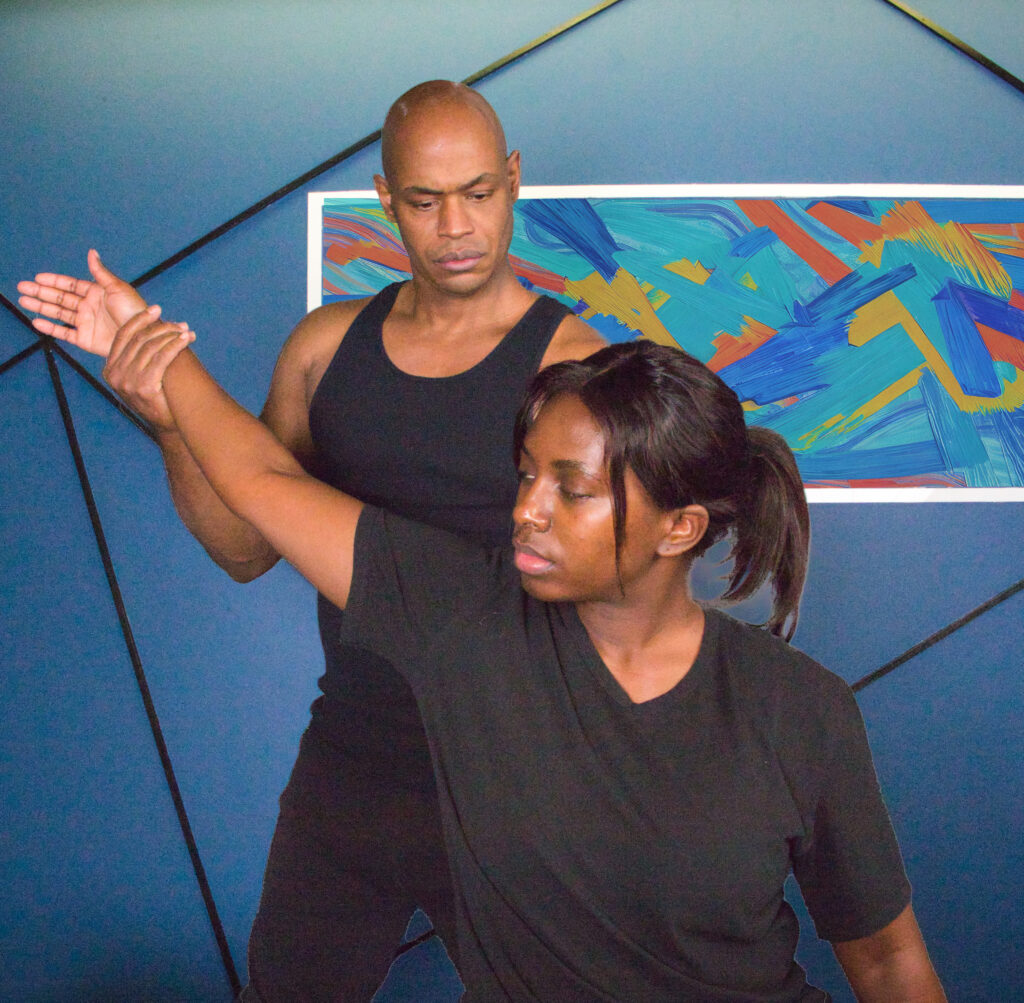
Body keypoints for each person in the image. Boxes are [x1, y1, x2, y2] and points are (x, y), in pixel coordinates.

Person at [55, 309, 948, 1001]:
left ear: (679, 528)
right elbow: (268, 480)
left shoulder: (801, 708)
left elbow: (886, 958)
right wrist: (162, 362)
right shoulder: (458, 616)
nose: (525, 509)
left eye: (572, 489)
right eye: (526, 473)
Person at [17, 81, 604, 1000]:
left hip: (515, 775)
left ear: (514, 180)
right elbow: (245, 549)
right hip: (354, 762)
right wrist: (172, 423)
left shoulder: (578, 371)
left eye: (479, 193)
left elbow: (620, 604)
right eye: (425, 200)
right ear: (385, 199)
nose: (456, 226)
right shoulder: (324, 349)